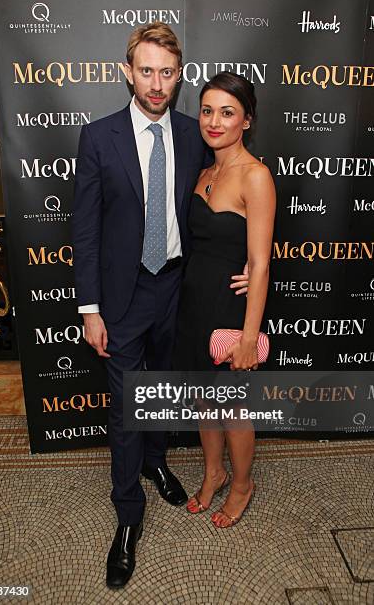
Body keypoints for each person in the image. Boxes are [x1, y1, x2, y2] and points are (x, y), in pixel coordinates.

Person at [72, 24, 249, 588]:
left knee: (165, 387)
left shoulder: (199, 133)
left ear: (179, 77)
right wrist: (90, 308)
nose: (156, 83)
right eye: (146, 71)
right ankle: (127, 516)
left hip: (179, 288)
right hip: (121, 298)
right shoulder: (98, 138)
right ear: (129, 72)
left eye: (167, 73)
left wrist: (248, 262)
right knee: (126, 406)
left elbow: (235, 193)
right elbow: (86, 232)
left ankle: (155, 461)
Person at [172, 72, 276, 528]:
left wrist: (250, 335)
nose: (214, 121)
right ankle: (213, 472)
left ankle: (241, 484)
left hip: (230, 309)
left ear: (246, 120)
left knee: (233, 406)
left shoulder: (255, 176)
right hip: (193, 301)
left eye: (227, 112)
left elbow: (261, 261)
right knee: (202, 400)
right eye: (208, 110)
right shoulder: (204, 172)